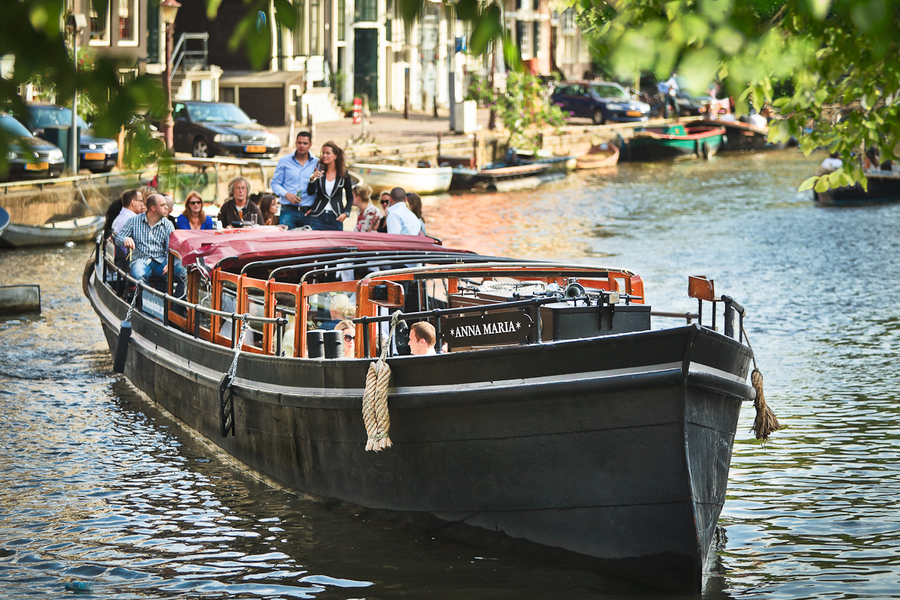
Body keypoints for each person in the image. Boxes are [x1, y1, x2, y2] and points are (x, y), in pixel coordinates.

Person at [114, 193, 186, 295]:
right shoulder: (134, 221)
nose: (167, 208)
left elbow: (172, 247)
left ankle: (175, 307)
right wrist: (125, 239)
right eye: (162, 205)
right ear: (153, 208)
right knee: (139, 275)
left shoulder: (168, 224)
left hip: (161, 262)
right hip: (140, 261)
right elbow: (118, 238)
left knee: (184, 274)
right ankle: (148, 305)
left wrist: (170, 262)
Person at [271, 131, 319, 229]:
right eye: (299, 143)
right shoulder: (284, 161)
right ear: (296, 143)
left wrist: (316, 207)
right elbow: (275, 184)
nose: (302, 146)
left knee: (308, 242)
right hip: (288, 210)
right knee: (287, 241)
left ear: (310, 145)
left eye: (305, 143)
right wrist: (286, 194)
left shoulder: (316, 163)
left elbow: (320, 187)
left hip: (308, 211)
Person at [306, 141, 353, 231]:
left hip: (336, 217)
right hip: (318, 216)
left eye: (328, 153)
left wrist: (346, 213)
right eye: (323, 153)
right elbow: (310, 192)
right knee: (316, 244)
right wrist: (312, 179)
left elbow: (350, 197)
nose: (324, 155)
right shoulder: (319, 171)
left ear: (335, 156)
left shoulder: (343, 174)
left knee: (336, 244)